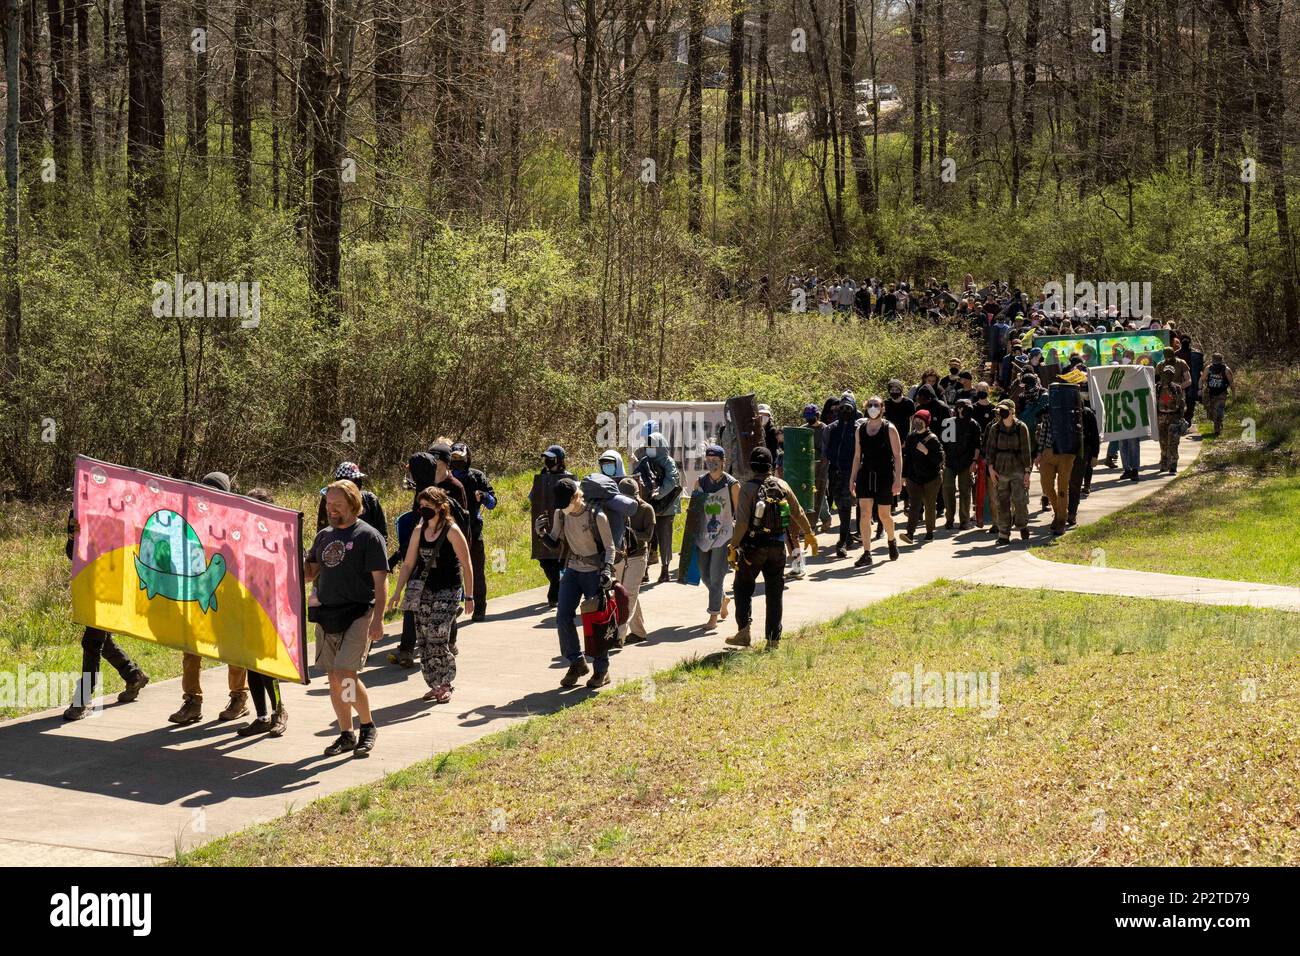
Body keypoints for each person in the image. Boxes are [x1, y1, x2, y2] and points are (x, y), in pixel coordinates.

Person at [306, 480, 388, 757]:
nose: (331, 509)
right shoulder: (323, 536)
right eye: (328, 504)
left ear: (353, 504)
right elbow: (308, 574)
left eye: (337, 505)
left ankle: (367, 726)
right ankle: (346, 734)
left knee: (345, 676)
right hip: (327, 615)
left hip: (358, 613)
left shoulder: (369, 536)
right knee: (333, 677)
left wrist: (378, 619)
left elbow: (380, 583)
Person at [170, 471, 249, 725]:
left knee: (232, 649)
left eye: (214, 492)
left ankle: (239, 697)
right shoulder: (190, 519)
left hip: (228, 595)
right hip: (196, 593)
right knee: (190, 648)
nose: (207, 497)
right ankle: (192, 701)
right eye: (203, 492)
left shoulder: (236, 521)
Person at [387, 486, 474, 704]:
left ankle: (445, 682)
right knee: (424, 638)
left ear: (440, 507)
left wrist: (469, 596)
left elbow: (467, 564)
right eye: (421, 505)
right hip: (425, 589)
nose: (423, 509)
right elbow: (408, 564)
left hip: (449, 589)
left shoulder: (452, 530)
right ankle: (434, 685)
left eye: (428, 506)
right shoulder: (419, 530)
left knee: (437, 635)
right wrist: (397, 592)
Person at [725, 447, 816, 650]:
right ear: (771, 465)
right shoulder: (782, 484)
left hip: (753, 547)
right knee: (774, 593)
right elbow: (798, 512)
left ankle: (744, 632)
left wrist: (733, 546)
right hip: (777, 547)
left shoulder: (748, 489)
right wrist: (809, 533)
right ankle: (773, 640)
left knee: (742, 588)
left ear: (751, 465)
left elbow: (741, 524)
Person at [62, 512, 150, 721]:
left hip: (113, 587)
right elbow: (71, 553)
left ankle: (82, 699)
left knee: (92, 641)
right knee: (103, 641)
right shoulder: (79, 509)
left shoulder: (117, 507)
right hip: (91, 585)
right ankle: (133, 675)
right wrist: (73, 536)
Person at [535, 478, 616, 688]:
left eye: (567, 503)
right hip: (572, 569)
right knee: (562, 617)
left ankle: (601, 669)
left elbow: (610, 547)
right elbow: (555, 542)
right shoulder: (561, 512)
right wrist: (542, 534)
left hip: (594, 572)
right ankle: (576, 662)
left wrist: (606, 570)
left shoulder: (596, 515)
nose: (564, 508)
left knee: (596, 622)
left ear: (575, 496)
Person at [236, 488, 290, 737]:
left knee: (268, 667)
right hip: (245, 606)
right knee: (251, 664)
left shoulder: (280, 535)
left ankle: (280, 711)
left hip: (271, 609)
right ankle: (261, 716)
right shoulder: (241, 533)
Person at [848, 395, 903, 567]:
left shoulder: (890, 428)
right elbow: (857, 456)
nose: (873, 407)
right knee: (864, 513)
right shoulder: (860, 429)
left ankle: (892, 540)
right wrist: (852, 478)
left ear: (882, 408)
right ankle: (866, 552)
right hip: (866, 474)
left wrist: (898, 479)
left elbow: (898, 455)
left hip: (885, 475)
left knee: (884, 515)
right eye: (870, 405)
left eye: (876, 405)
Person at [693, 445, 740, 630]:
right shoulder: (700, 482)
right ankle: (722, 599)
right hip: (705, 535)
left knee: (716, 576)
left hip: (723, 535)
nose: (711, 462)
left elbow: (739, 512)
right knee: (704, 574)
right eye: (708, 459)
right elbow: (695, 511)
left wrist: (736, 539)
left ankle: (713, 615)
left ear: (723, 461)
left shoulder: (732, 484)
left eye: (715, 460)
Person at [449, 441, 495, 622]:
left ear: (467, 457)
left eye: (460, 458)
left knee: (476, 571)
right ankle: (454, 605)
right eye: (453, 458)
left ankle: (480, 608)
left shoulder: (477, 476)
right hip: (450, 532)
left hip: (474, 531)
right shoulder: (446, 478)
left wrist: (483, 496)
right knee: (451, 571)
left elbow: (493, 503)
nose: (457, 461)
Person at [1035, 379, 1083, 536]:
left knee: (1063, 489)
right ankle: (1058, 512)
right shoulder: (1049, 412)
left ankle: (1061, 521)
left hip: (1066, 455)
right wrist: (1039, 453)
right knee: (1046, 486)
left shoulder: (1074, 413)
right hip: (1049, 452)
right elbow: (1043, 432)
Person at [984, 400, 1033, 544]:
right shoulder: (995, 428)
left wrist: (1027, 472)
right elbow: (990, 450)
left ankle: (1022, 525)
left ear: (1012, 411)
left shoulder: (1021, 427)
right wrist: (991, 469)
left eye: (1004, 410)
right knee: (1002, 503)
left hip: (1018, 469)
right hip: (1001, 471)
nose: (1001, 414)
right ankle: (1004, 534)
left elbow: (1026, 451)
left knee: (1020, 501)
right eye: (999, 411)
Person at [531, 445, 572, 608]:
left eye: (552, 459)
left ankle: (555, 594)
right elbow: (533, 498)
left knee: (561, 564)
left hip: (564, 528)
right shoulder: (541, 477)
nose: (548, 462)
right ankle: (556, 589)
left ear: (560, 460)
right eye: (546, 458)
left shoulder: (569, 478)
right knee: (546, 562)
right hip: (544, 524)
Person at [637, 431, 681, 583]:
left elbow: (672, 480)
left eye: (652, 445)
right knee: (647, 538)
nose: (649, 448)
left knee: (665, 538)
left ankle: (665, 569)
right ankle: (645, 570)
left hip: (667, 506)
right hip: (649, 506)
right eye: (647, 445)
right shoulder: (644, 461)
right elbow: (637, 477)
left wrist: (658, 494)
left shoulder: (668, 462)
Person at [617, 476, 655, 644]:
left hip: (638, 556)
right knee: (629, 593)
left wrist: (630, 533)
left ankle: (619, 635)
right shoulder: (617, 508)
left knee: (628, 596)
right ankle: (639, 632)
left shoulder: (647, 509)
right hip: (621, 556)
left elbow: (648, 536)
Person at [824, 397, 860, 558]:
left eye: (848, 408)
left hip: (850, 471)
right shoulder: (831, 429)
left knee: (845, 507)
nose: (845, 411)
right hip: (834, 472)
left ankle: (842, 542)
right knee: (838, 504)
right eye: (842, 408)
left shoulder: (859, 428)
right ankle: (847, 536)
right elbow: (825, 451)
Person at [900, 409, 944, 543]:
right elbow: (907, 458)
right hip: (914, 478)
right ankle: (909, 533)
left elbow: (939, 459)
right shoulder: (911, 437)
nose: (917, 422)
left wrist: (926, 452)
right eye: (916, 420)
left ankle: (930, 532)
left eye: (921, 421)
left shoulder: (933, 439)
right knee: (914, 505)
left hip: (931, 479)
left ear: (926, 422)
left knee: (930, 505)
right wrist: (903, 476)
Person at [316, 462, 387, 543]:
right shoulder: (328, 499)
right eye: (354, 481)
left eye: (358, 480)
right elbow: (322, 531)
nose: (357, 484)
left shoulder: (370, 499)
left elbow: (382, 533)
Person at [940, 398, 981, 530]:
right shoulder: (949, 423)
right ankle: (949, 519)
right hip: (950, 463)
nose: (962, 410)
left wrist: (974, 462)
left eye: (965, 407)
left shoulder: (973, 424)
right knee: (948, 490)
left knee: (965, 491)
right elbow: (943, 444)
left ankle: (964, 521)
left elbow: (977, 445)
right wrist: (943, 461)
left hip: (967, 463)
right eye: (960, 407)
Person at [1067, 390, 1101, 526]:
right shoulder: (1066, 415)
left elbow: (1094, 437)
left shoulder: (1088, 414)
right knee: (1066, 484)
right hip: (1067, 453)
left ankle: (1072, 513)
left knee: (1075, 484)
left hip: (1083, 452)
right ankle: (1064, 511)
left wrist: (1094, 456)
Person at [805, 403, 833, 533]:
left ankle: (825, 518)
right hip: (807, 466)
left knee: (820, 492)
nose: (809, 419)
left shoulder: (825, 429)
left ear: (817, 416)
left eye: (811, 416)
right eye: (807, 417)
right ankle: (813, 521)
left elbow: (826, 449)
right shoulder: (804, 429)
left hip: (822, 465)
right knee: (809, 493)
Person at [1156, 365, 1186, 474]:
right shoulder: (1157, 388)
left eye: (1170, 374)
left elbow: (1182, 404)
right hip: (1161, 418)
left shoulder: (1177, 388)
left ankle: (1173, 464)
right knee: (1163, 442)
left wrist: (1181, 418)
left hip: (1174, 418)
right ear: (1162, 374)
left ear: (1173, 375)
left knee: (1173, 442)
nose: (1168, 375)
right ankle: (1164, 463)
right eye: (1166, 373)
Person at [1202, 352, 1233, 437]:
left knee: (1219, 410)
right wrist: (1202, 388)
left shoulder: (1226, 369)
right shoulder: (1209, 368)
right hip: (1211, 393)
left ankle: (1217, 429)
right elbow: (1202, 379)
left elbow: (1231, 382)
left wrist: (1234, 394)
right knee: (1211, 412)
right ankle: (1218, 424)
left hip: (1222, 393)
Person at [1176, 334, 1205, 427]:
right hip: (1180, 381)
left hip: (1191, 381)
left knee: (1190, 402)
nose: (1185, 342)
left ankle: (1187, 419)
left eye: (1186, 341)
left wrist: (1201, 383)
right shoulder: (1176, 354)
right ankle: (1183, 419)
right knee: (1181, 401)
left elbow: (1201, 370)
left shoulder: (1197, 355)